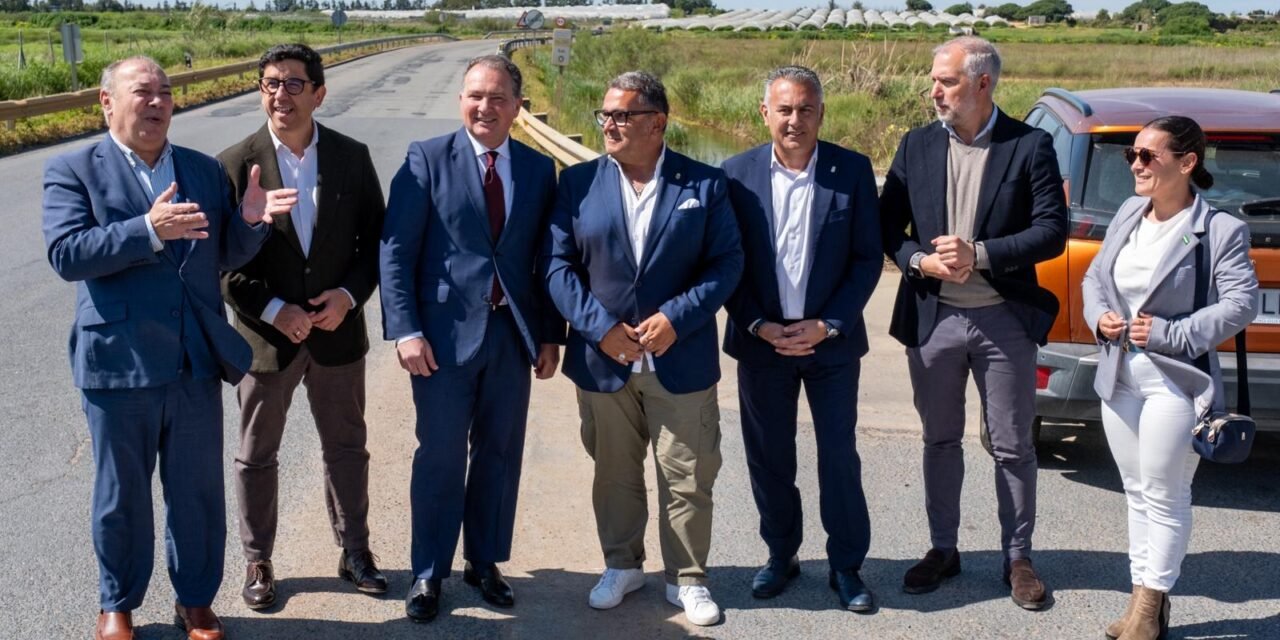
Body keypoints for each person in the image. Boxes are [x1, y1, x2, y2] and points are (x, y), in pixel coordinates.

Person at [42, 56, 289, 640]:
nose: (156, 103)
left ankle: (196, 602)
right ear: (107, 102)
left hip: (193, 360)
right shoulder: (73, 168)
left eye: (166, 93)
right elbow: (67, 254)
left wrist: (250, 223)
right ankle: (117, 604)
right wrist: (147, 230)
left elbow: (221, 252)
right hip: (117, 362)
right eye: (142, 92)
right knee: (120, 497)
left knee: (197, 494)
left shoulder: (203, 170)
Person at [544, 70, 744, 627]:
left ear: (657, 123)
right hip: (602, 359)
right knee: (613, 472)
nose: (609, 124)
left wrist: (676, 319)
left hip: (680, 358)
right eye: (604, 115)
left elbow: (726, 263)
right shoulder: (577, 183)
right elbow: (557, 267)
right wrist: (598, 328)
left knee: (686, 473)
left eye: (621, 115)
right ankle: (621, 565)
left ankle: (688, 578)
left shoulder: (704, 185)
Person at [879, 36, 1068, 610]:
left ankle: (1017, 557)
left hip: (1003, 320)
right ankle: (943, 549)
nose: (934, 91)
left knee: (1012, 447)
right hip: (934, 319)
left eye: (947, 81)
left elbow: (1051, 230)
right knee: (939, 440)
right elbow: (888, 226)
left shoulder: (1030, 145)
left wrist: (979, 254)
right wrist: (918, 260)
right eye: (935, 80)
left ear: (983, 84)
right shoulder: (915, 145)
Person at [379, 54, 563, 623]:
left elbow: (546, 259)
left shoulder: (537, 170)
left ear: (517, 105)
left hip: (511, 336)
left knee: (499, 455)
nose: (484, 107)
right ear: (462, 100)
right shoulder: (426, 159)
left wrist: (551, 335)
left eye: (498, 97)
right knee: (438, 456)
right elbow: (396, 252)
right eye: (474, 96)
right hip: (440, 339)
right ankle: (428, 572)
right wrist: (405, 329)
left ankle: (483, 563)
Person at [218, 43, 388, 611]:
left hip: (338, 334)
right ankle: (257, 560)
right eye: (269, 83)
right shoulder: (235, 163)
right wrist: (274, 311)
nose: (279, 94)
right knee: (255, 454)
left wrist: (346, 296)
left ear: (319, 92)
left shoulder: (350, 156)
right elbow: (223, 264)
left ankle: (356, 551)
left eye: (293, 84)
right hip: (265, 343)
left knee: (347, 446)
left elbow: (374, 245)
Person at [1081, 116, 1258, 640]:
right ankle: (1146, 607)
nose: (1135, 165)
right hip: (1119, 375)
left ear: (1187, 162)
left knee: (1165, 491)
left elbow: (1240, 304)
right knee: (1136, 489)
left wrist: (1170, 333)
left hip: (1175, 381)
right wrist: (1099, 318)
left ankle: (1146, 608)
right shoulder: (1130, 214)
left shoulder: (1219, 229)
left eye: (1147, 156)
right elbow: (1095, 276)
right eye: (1132, 155)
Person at [721, 65, 882, 612]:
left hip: (831, 345)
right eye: (784, 109)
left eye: (806, 109)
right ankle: (781, 555)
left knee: (838, 456)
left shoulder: (852, 171)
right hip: (761, 344)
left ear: (821, 113)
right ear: (764, 113)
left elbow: (866, 259)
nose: (795, 120)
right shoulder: (734, 174)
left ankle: (846, 566)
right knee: (769, 457)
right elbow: (726, 263)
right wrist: (758, 325)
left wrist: (828, 323)